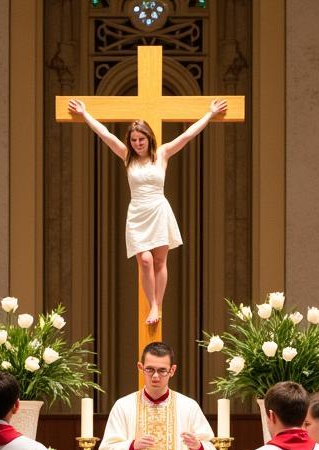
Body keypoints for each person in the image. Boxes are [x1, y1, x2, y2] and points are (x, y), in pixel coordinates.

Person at [68, 97, 227, 325]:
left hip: (159, 209)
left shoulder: (161, 154)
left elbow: (188, 135)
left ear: (149, 138)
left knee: (160, 261)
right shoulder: (127, 157)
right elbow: (105, 135)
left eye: (141, 139)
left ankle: (156, 305)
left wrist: (209, 115)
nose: (137, 143)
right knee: (144, 260)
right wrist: (85, 114)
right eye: (133, 140)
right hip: (138, 213)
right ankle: (152, 302)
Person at [98, 342, 216, 450]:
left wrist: (198, 448)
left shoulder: (188, 407)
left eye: (162, 371)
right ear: (140, 368)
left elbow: (210, 448)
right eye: (150, 370)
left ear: (172, 370)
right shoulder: (123, 406)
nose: (155, 376)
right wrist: (132, 447)